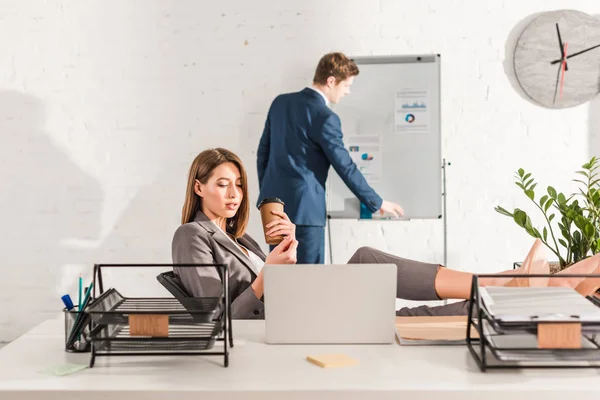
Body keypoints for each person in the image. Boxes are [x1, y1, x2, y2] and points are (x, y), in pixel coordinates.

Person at [171, 148, 600, 319]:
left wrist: (285, 256)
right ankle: (509, 295)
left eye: (239, 184)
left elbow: (271, 286)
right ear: (199, 187)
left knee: (367, 260)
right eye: (222, 183)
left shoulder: (242, 240)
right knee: (399, 319)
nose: (234, 193)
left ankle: (504, 288)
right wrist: (268, 276)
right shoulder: (191, 235)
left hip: (303, 304)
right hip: (294, 321)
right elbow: (218, 320)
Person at [256, 52, 404, 264]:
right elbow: (344, 165)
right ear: (331, 81)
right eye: (346, 86)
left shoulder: (280, 103)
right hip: (306, 213)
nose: (347, 92)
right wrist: (377, 202)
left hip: (275, 212)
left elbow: (263, 155)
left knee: (280, 280)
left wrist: (269, 196)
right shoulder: (325, 117)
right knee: (312, 282)